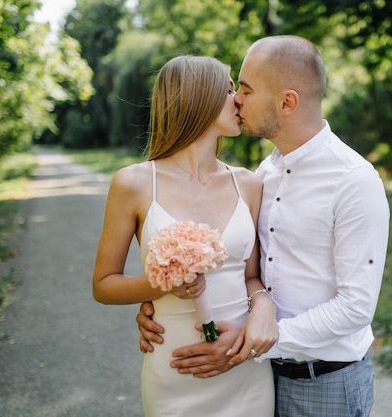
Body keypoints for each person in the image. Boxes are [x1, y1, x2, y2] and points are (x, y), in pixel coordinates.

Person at [138, 36, 390, 416]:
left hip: (324, 384)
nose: (236, 98)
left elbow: (355, 308)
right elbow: (243, 269)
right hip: (261, 378)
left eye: (246, 89)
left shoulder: (353, 180)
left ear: (287, 102)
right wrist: (161, 303)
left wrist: (250, 343)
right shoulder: (264, 174)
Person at [92, 55, 277, 417]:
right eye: (228, 90)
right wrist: (163, 285)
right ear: (198, 98)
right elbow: (103, 285)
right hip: (174, 370)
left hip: (243, 367)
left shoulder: (250, 184)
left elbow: (251, 277)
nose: (239, 99)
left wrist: (264, 304)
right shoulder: (134, 183)